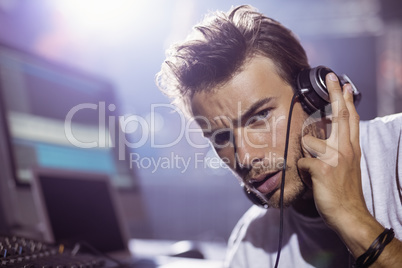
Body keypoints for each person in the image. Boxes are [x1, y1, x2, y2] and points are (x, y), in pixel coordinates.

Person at [156, 5, 402, 268]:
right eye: (221, 137)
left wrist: (352, 218)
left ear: (313, 97)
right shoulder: (252, 246)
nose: (245, 157)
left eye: (259, 117)